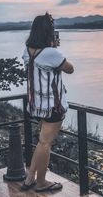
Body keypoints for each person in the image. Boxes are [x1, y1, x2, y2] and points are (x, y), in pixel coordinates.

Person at [21, 12, 74, 193]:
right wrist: (54, 48)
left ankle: (29, 179)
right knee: (45, 144)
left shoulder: (27, 51)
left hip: (37, 106)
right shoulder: (51, 53)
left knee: (41, 142)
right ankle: (42, 182)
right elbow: (70, 68)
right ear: (48, 32)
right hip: (53, 106)